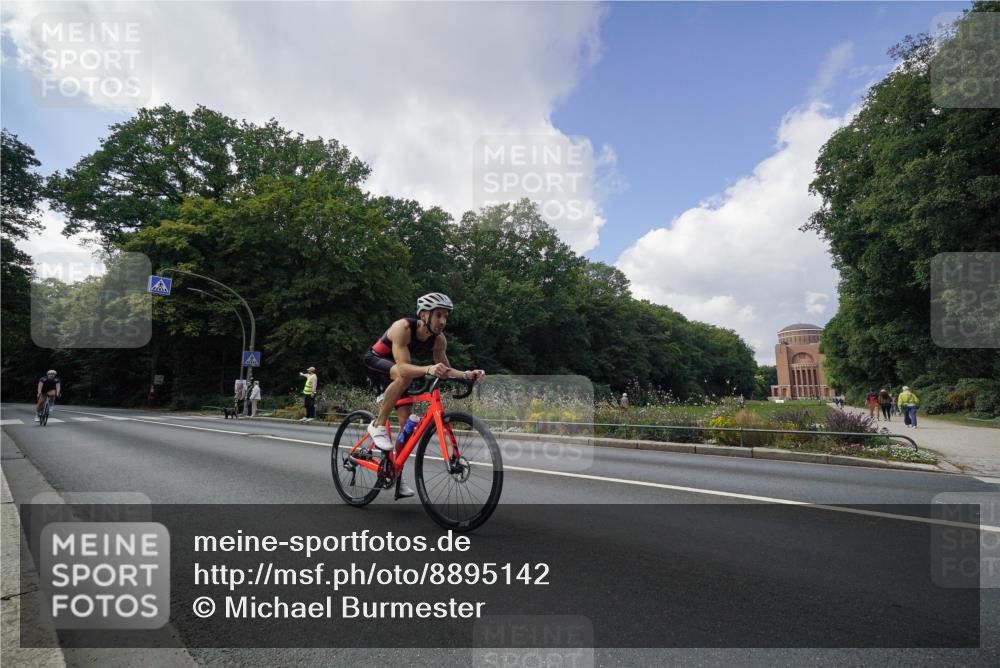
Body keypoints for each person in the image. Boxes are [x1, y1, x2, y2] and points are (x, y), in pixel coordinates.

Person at [363, 292, 485, 498]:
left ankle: (396, 474)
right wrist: (428, 368)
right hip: (376, 363)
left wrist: (467, 374)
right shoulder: (402, 328)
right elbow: (402, 367)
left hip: (400, 372)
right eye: (438, 315)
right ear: (423, 315)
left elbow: (446, 370)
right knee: (404, 377)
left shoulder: (439, 340)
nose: (443, 321)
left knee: (406, 430)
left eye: (446, 316)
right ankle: (377, 425)